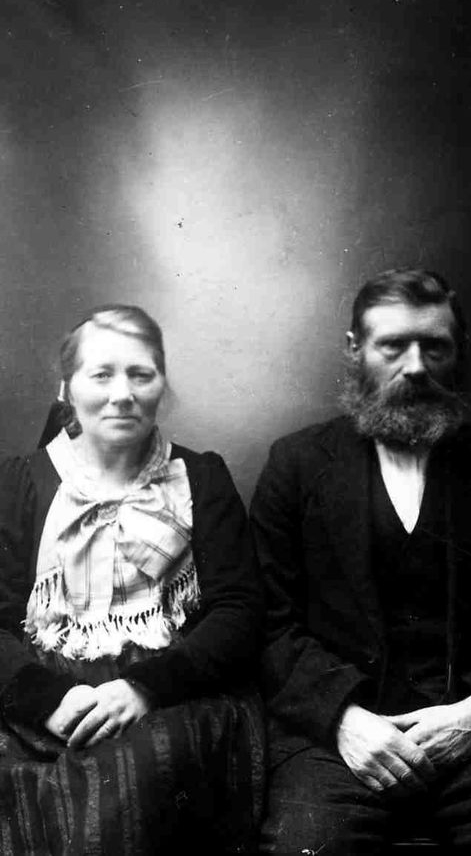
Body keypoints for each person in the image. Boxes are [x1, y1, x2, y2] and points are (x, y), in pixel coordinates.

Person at [250, 268, 471, 855]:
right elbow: (269, 622)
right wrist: (344, 720)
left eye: (434, 347)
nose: (416, 366)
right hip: (339, 740)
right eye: (393, 346)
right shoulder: (296, 465)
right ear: (356, 350)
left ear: (458, 351)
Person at [0, 305, 264, 855]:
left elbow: (239, 612)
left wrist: (144, 688)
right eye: (101, 375)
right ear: (66, 389)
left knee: (138, 780)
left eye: (141, 375)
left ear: (162, 385)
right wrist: (47, 699)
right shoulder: (21, 482)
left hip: (174, 695)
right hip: (44, 694)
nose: (122, 394)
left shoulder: (201, 478)